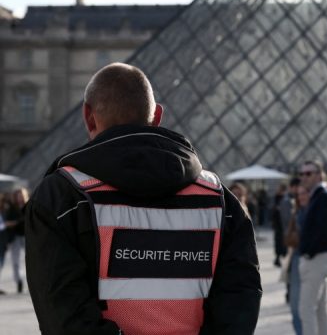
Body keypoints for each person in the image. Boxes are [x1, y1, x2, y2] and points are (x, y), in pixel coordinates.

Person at [24, 63, 261, 334]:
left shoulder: (61, 197)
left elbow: (64, 317)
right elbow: (239, 303)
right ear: (156, 115)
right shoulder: (220, 199)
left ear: (88, 116)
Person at [298, 161, 327, 335]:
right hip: (320, 257)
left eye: (308, 173)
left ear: (320, 175)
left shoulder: (323, 197)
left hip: (316, 258)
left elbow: (322, 230)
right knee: (321, 311)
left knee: (306, 309)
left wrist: (308, 252)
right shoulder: (320, 196)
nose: (304, 177)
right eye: (302, 174)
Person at [286, 183, 311, 334]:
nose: (301, 197)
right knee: (295, 303)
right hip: (296, 257)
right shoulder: (297, 212)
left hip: (311, 259)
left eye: (304, 193)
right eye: (299, 194)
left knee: (309, 305)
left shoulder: (316, 211)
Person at [5, 187, 28, 294]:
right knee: (15, 261)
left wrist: (17, 222)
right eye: (18, 196)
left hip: (28, 236)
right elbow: (7, 222)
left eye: (22, 196)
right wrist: (17, 222)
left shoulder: (29, 205)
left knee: (31, 260)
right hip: (16, 237)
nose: (20, 198)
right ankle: (18, 281)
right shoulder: (12, 208)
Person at [273, 184, 288, 267]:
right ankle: (278, 258)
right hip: (277, 224)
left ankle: (281, 257)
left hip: (283, 224)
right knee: (278, 241)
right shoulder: (276, 198)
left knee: (282, 242)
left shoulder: (285, 198)